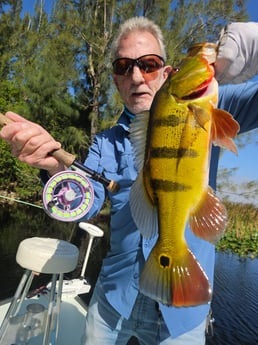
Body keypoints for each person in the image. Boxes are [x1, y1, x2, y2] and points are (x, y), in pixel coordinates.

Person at [0, 17, 258, 345]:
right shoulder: (105, 143)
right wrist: (53, 167)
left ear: (167, 73)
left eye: (148, 64)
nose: (136, 76)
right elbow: (81, 205)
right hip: (112, 299)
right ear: (116, 80)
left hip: (182, 311)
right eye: (124, 66)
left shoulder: (209, 104)